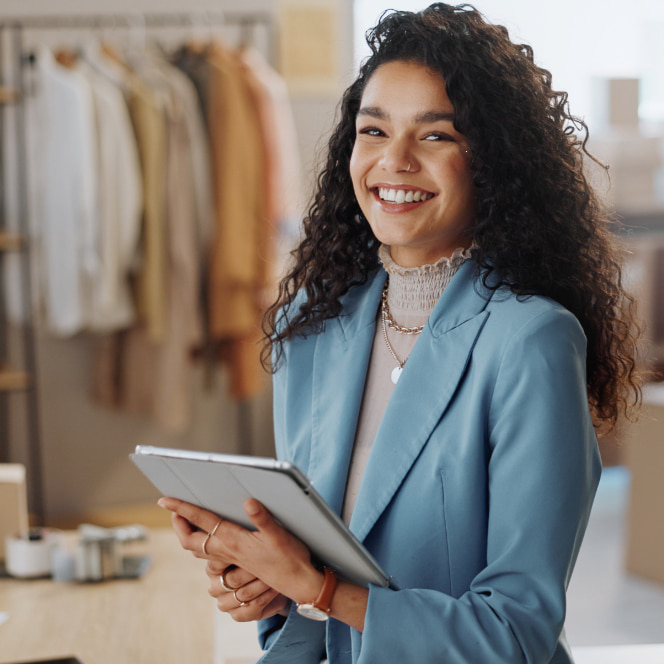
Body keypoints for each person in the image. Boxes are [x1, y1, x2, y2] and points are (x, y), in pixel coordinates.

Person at [158, 4, 643, 662]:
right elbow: (307, 593)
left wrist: (320, 588)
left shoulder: (531, 341)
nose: (395, 161)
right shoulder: (314, 325)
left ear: (493, 161)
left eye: (437, 136)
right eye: (374, 130)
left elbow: (517, 634)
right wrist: (265, 583)